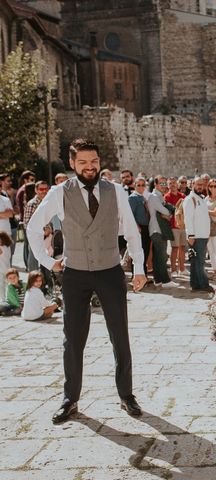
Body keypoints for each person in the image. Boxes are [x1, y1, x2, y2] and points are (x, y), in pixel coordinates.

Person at [27, 138, 147, 424]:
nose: (89, 167)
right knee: (73, 340)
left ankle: (126, 395)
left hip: (109, 270)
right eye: (82, 162)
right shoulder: (59, 192)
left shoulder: (115, 190)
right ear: (72, 163)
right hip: (75, 274)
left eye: (93, 162)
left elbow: (131, 231)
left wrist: (139, 268)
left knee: (120, 336)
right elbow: (32, 227)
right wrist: (49, 262)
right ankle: (70, 399)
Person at [147, 176, 179, 288]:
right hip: (157, 229)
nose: (164, 186)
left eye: (165, 183)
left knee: (157, 256)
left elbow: (167, 212)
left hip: (157, 229)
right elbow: (165, 211)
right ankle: (165, 281)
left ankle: (158, 280)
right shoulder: (154, 197)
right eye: (161, 183)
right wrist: (169, 213)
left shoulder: (159, 197)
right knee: (162, 256)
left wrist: (168, 213)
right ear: (155, 185)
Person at [183, 177, 213, 292]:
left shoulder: (201, 198)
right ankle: (203, 284)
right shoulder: (190, 199)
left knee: (197, 261)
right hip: (196, 236)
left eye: (201, 184)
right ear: (192, 185)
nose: (200, 186)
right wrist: (190, 235)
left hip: (203, 235)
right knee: (199, 261)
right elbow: (188, 219)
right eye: (197, 184)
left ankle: (196, 284)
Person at [128, 177, 151, 279]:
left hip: (146, 227)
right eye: (139, 185)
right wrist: (136, 227)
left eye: (143, 185)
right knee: (138, 252)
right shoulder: (132, 198)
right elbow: (130, 215)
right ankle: (136, 275)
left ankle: (143, 275)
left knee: (145, 252)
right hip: (139, 228)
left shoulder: (143, 197)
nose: (141, 187)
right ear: (134, 185)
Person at [164, 177, 187, 277]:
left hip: (183, 226)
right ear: (168, 185)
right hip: (173, 226)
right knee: (174, 248)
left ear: (177, 184)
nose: (172, 185)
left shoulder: (183, 196)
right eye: (170, 183)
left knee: (182, 248)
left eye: (174, 183)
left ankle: (182, 268)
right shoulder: (166, 197)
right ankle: (173, 270)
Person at [0, 232, 11, 303]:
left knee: (2, 285)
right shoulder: (8, 247)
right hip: (7, 268)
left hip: (1, 269)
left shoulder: (1, 248)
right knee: (8, 285)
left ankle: (3, 299)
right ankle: (7, 298)